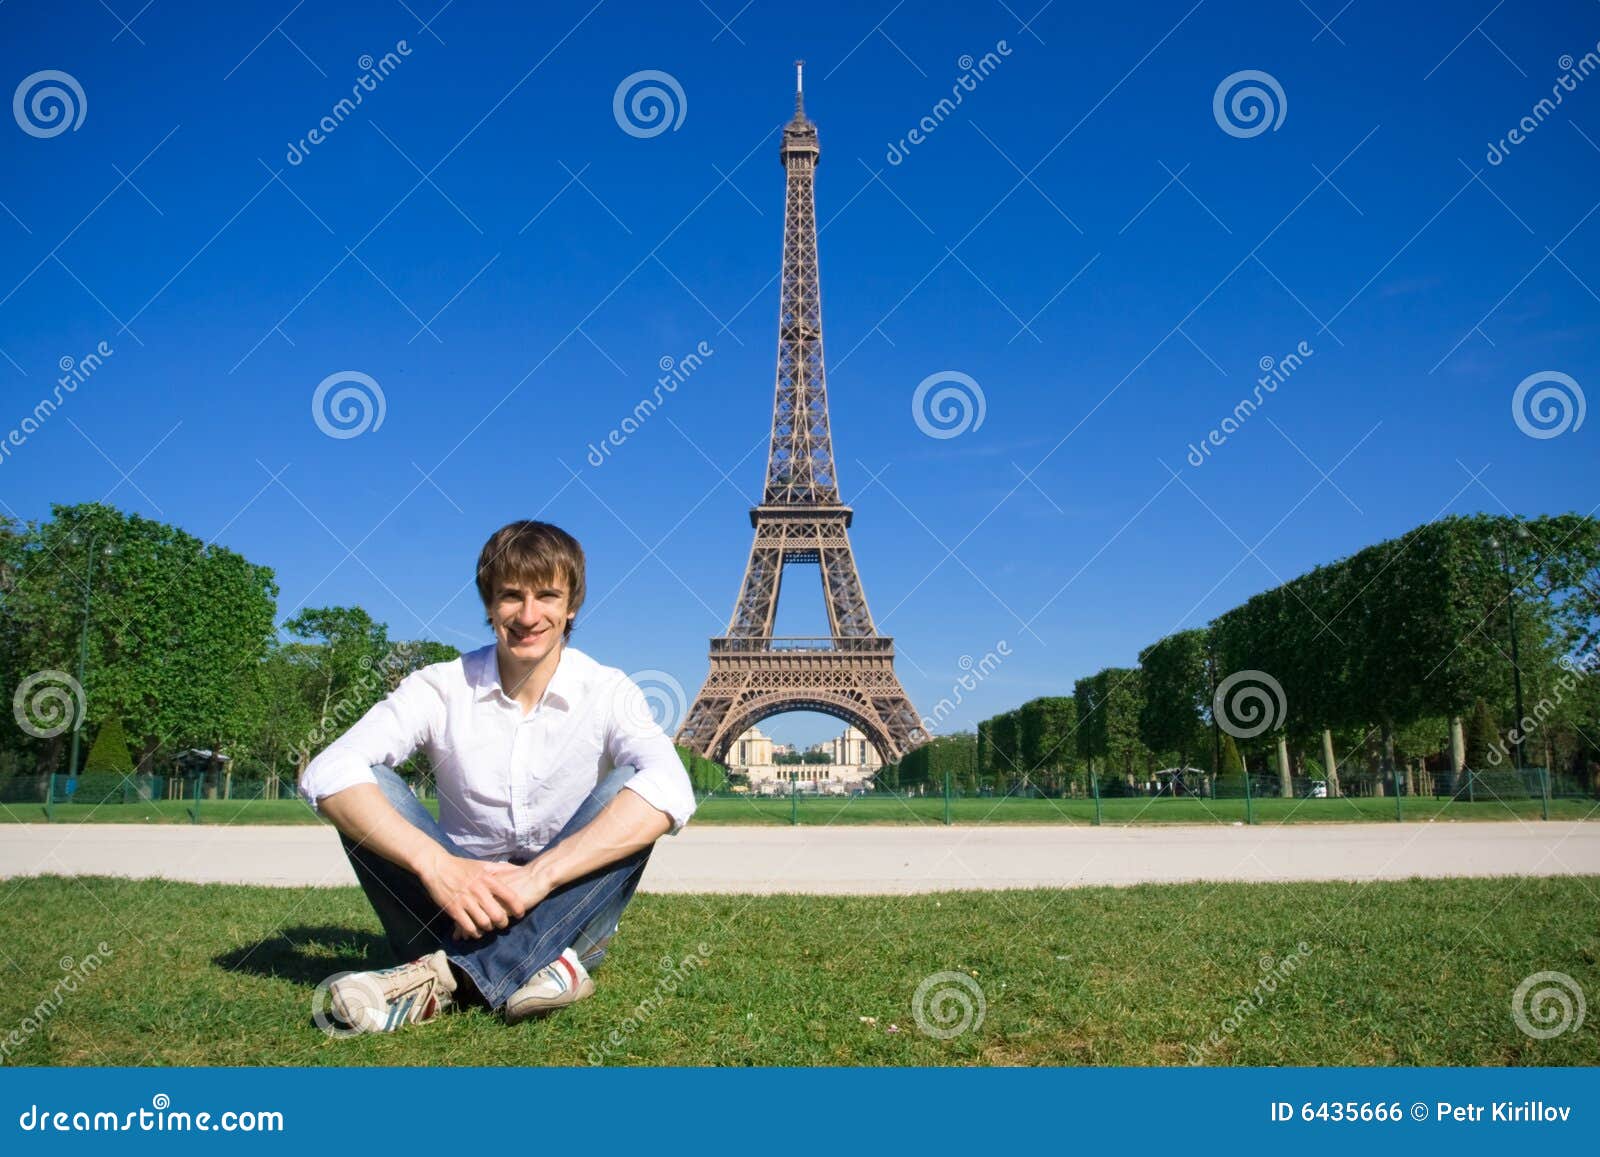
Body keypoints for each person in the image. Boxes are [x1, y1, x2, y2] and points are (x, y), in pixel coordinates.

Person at [298, 520, 695, 1034]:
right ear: (489, 604)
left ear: (571, 605)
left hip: (564, 904)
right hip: (449, 909)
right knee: (366, 782)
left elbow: (670, 786)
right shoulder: (439, 686)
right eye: (512, 596)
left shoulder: (608, 690)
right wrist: (439, 867)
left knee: (633, 789)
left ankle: (435, 981)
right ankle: (540, 971)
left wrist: (539, 878)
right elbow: (328, 770)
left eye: (547, 595)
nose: (529, 616)